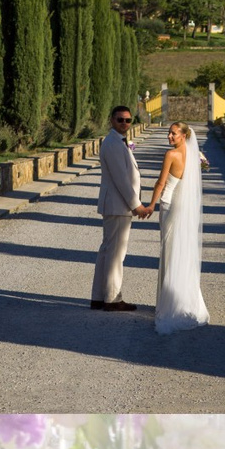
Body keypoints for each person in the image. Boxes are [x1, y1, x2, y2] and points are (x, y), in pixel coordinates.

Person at [90, 103, 154, 310]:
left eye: (128, 120)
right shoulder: (113, 143)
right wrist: (137, 206)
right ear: (111, 120)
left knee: (107, 251)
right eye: (120, 120)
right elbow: (121, 180)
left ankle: (99, 297)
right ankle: (112, 299)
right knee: (116, 254)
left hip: (116, 205)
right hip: (119, 206)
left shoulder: (117, 142)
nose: (124, 123)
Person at [152, 111, 210, 334]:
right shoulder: (195, 155)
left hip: (168, 204)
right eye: (169, 133)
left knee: (169, 251)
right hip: (184, 207)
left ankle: (169, 305)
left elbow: (160, 183)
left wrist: (150, 205)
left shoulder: (172, 155)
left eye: (173, 134)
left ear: (184, 136)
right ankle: (186, 300)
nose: (169, 137)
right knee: (182, 251)